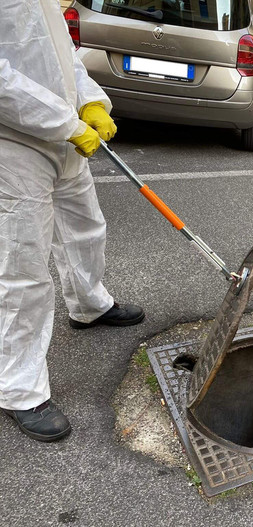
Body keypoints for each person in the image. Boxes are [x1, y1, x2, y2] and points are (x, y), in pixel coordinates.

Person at [0, 0, 145, 442]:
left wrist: (92, 103)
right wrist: (64, 122)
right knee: (23, 268)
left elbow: (63, 59)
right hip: (15, 144)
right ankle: (18, 388)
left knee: (85, 227)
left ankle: (88, 304)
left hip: (65, 137)